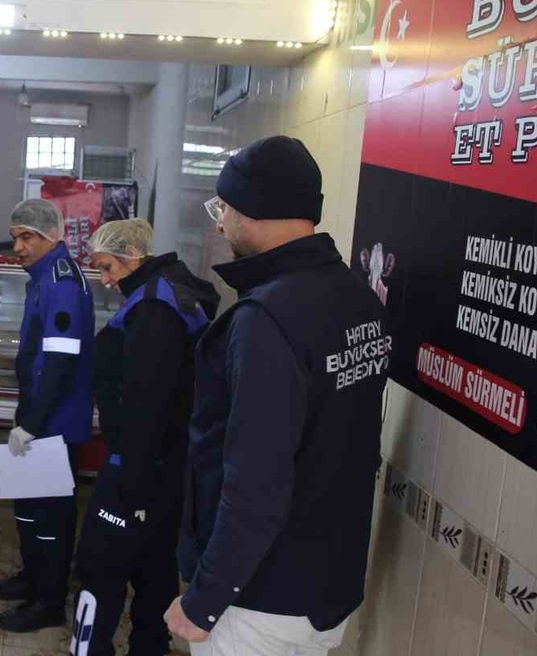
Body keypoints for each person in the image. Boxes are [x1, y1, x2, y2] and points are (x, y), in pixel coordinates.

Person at [164, 136, 389, 656]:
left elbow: (255, 483)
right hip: (328, 586)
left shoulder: (266, 320)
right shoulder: (355, 297)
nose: (219, 224)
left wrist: (205, 599)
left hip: (257, 599)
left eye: (225, 208)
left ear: (256, 208)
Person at [71, 219, 219, 656]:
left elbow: (146, 404)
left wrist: (129, 485)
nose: (105, 279)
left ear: (132, 258)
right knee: (155, 564)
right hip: (169, 465)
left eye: (107, 267)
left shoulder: (154, 308)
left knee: (98, 564)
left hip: (139, 466)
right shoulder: (172, 288)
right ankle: (150, 646)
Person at [0, 198, 95, 633]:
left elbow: (61, 362)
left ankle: (49, 601)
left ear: (51, 236)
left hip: (55, 420)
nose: (18, 247)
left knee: (51, 515)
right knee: (29, 506)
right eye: (15, 237)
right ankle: (31, 578)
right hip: (37, 410)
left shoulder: (62, 283)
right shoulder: (42, 277)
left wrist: (32, 423)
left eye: (27, 237)